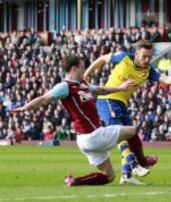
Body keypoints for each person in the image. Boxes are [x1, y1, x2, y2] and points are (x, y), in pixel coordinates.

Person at [11, 55, 149, 186]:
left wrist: (119, 88)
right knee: (131, 131)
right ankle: (142, 163)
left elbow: (100, 89)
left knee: (109, 176)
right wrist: (24, 108)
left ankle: (74, 182)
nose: (85, 69)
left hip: (87, 138)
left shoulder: (82, 84)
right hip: (91, 135)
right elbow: (44, 98)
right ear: (74, 69)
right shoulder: (65, 86)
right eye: (82, 67)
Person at [84, 40, 171, 168]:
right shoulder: (124, 57)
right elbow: (102, 59)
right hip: (107, 98)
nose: (147, 60)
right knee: (118, 130)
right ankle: (133, 162)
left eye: (149, 57)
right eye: (144, 56)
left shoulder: (148, 71)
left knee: (131, 134)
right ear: (136, 54)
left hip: (122, 104)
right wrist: (87, 74)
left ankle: (128, 172)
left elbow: (166, 79)